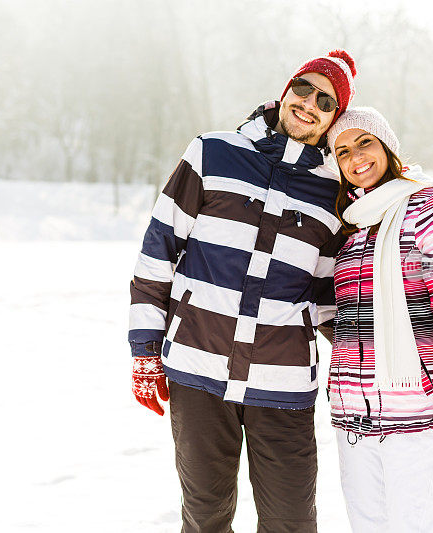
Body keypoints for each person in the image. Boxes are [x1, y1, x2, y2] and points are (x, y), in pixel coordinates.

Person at [128, 50, 357, 532]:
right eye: (304, 88)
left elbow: (323, 297)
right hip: (197, 369)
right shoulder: (212, 152)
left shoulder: (330, 192)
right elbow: (158, 250)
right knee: (205, 516)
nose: (309, 103)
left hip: (284, 382)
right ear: (286, 89)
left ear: (334, 117)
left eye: (326, 100)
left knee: (291, 520)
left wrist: (371, 354)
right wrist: (145, 349)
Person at [324, 107, 433, 532]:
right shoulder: (353, 228)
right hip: (354, 423)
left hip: (418, 418)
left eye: (365, 142)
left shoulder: (431, 204)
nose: (356, 157)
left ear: (388, 147)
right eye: (343, 151)